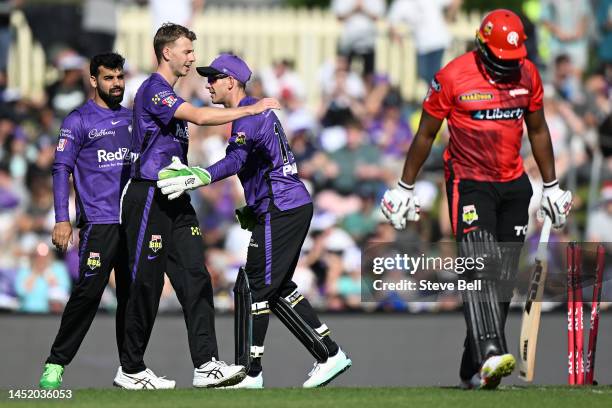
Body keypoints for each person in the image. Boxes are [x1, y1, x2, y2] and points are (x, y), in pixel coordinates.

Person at [380, 9, 572, 389]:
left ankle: (472, 366)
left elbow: (538, 128)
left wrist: (551, 185)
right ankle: (489, 353)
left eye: (513, 60)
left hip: (515, 184)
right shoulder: (452, 76)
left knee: (500, 281)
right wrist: (405, 186)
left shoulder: (528, 75)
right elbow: (425, 135)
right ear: (482, 46)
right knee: (478, 264)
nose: (507, 67)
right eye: (501, 59)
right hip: (469, 183)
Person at [156, 53, 352, 388]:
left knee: (254, 286)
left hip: (283, 207)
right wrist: (254, 205)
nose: (209, 83)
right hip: (281, 205)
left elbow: (235, 161)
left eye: (214, 77)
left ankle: (252, 371)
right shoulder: (250, 113)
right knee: (275, 288)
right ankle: (329, 353)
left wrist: (197, 175)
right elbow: (256, 164)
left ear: (231, 81)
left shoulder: (249, 116)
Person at [115, 24, 280, 389]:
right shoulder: (153, 90)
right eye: (187, 51)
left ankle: (206, 364)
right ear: (166, 52)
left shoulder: (170, 92)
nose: (192, 57)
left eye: (192, 51)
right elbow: (203, 118)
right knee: (146, 282)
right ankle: (130, 368)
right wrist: (250, 110)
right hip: (149, 195)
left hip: (175, 197)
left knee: (196, 277)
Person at [39, 53, 132, 389]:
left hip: (132, 222)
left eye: (120, 77)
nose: (116, 83)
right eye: (109, 78)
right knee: (89, 293)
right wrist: (62, 219)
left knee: (132, 295)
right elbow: (61, 168)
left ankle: (131, 369)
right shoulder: (78, 120)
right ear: (93, 80)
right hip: (98, 222)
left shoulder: (132, 119)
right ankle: (56, 363)